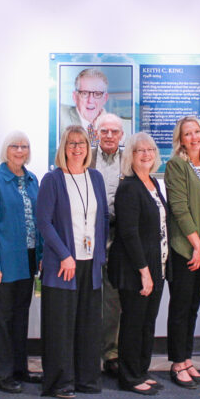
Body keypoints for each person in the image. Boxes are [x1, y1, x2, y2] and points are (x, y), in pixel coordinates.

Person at [36, 125, 109, 399]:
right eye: (71, 143)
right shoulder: (52, 180)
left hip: (91, 264)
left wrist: (99, 253)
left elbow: (101, 219)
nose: (77, 148)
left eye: (81, 143)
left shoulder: (96, 178)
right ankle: (60, 382)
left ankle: (87, 379)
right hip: (63, 265)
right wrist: (65, 255)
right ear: (63, 148)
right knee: (60, 326)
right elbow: (43, 222)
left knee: (88, 325)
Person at [0, 131, 43, 394]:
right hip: (2, 262)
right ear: (6, 149)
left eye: (24, 146)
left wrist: (40, 257)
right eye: (15, 146)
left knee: (20, 318)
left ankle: (19, 368)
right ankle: (2, 373)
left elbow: (39, 222)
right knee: (0, 320)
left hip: (27, 260)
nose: (20, 150)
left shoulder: (32, 179)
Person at [108, 132, 168, 396]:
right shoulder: (129, 187)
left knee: (148, 322)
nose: (146, 154)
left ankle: (141, 370)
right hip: (136, 268)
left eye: (150, 150)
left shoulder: (153, 183)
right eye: (139, 150)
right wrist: (144, 272)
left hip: (157, 265)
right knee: (134, 322)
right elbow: (129, 234)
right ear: (130, 156)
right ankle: (129, 376)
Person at [164, 115, 200, 389]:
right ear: (181, 139)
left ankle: (187, 358)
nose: (194, 137)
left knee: (193, 307)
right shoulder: (176, 165)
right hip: (185, 246)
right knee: (181, 306)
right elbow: (179, 208)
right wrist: (197, 246)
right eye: (187, 134)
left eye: (197, 131)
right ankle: (176, 362)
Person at [89, 113, 124, 377]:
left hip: (118, 235)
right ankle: (87, 351)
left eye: (114, 132)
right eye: (104, 131)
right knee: (87, 294)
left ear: (121, 135)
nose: (109, 136)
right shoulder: (84, 157)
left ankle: (111, 353)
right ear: (96, 133)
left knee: (112, 298)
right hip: (87, 235)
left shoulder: (129, 160)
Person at [60, 68, 131, 147]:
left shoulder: (126, 127)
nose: (90, 100)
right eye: (84, 93)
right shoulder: (60, 114)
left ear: (105, 98)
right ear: (75, 97)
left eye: (97, 94)